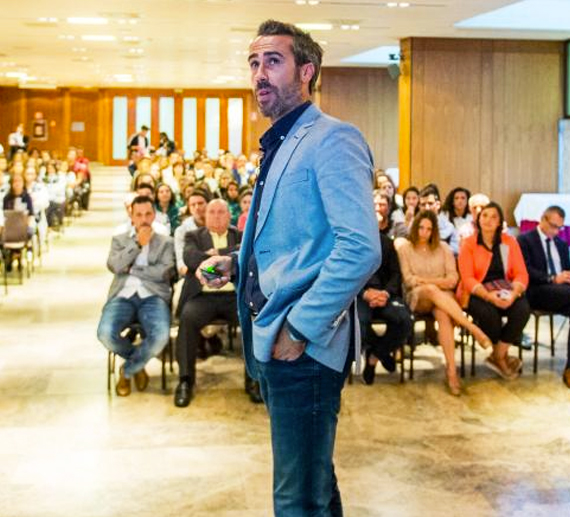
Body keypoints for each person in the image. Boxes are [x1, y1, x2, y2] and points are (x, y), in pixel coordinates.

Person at [195, 21, 380, 516]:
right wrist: (236, 265)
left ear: (307, 71)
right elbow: (300, 240)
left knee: (295, 498)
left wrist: (299, 328)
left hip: (306, 347)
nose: (259, 74)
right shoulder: (280, 143)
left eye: (272, 62)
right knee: (314, 482)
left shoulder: (333, 139)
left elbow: (361, 248)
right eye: (254, 63)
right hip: (274, 339)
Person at [397, 211, 493, 394]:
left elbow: (453, 279)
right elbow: (409, 280)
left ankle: (451, 371)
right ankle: (473, 329)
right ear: (415, 227)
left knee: (443, 315)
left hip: (442, 299)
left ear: (434, 231)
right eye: (421, 227)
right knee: (432, 291)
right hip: (417, 298)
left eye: (428, 229)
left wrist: (425, 280)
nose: (424, 232)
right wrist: (434, 283)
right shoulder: (405, 249)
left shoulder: (443, 248)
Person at [175, 200, 254, 407]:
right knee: (187, 318)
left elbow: (245, 258)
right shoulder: (194, 236)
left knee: (251, 321)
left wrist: (213, 256)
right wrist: (228, 256)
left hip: (234, 297)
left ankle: (253, 380)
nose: (217, 216)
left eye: (221, 212)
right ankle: (185, 381)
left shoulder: (240, 236)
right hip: (202, 296)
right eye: (212, 212)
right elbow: (191, 259)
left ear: (230, 216)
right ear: (205, 215)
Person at [97, 195, 175, 397]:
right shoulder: (120, 240)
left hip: (153, 296)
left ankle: (128, 370)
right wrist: (138, 245)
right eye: (139, 214)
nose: (144, 219)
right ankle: (138, 365)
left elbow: (164, 272)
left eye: (148, 214)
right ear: (131, 216)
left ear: (154, 215)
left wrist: (132, 269)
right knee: (105, 333)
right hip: (122, 296)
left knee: (161, 336)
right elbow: (114, 266)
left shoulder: (166, 242)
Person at [458, 202, 530, 380]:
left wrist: (514, 293)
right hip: (477, 291)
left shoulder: (509, 242)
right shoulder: (468, 244)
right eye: (484, 216)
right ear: (478, 219)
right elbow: (467, 278)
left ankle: (497, 356)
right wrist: (489, 297)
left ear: (500, 222)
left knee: (522, 309)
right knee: (489, 315)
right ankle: (502, 357)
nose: (488, 220)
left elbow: (521, 273)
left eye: (493, 217)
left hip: (505, 288)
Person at [357, 206, 412, 385]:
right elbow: (347, 276)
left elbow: (396, 274)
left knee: (404, 319)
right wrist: (365, 293)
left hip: (385, 294)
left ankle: (375, 355)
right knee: (357, 322)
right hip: (360, 296)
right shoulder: (352, 245)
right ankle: (381, 353)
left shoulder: (387, 243)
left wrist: (385, 293)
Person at [518, 206, 570, 388]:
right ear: (543, 219)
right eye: (553, 226)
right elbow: (525, 270)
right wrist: (552, 278)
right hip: (537, 290)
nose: (556, 231)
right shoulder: (525, 240)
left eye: (559, 228)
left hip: (562, 292)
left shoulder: (562, 245)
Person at [173, 189, 209, 276]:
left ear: (208, 204)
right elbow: (181, 263)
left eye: (200, 203)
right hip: (192, 275)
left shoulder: (219, 225)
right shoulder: (181, 231)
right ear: (189, 208)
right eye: (193, 205)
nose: (197, 207)